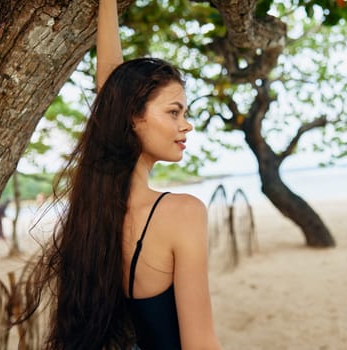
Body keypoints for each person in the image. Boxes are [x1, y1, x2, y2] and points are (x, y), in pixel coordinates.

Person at [16, 1, 223, 349]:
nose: (186, 125)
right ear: (132, 115)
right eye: (174, 112)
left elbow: (110, 86)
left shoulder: (95, 216)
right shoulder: (182, 212)